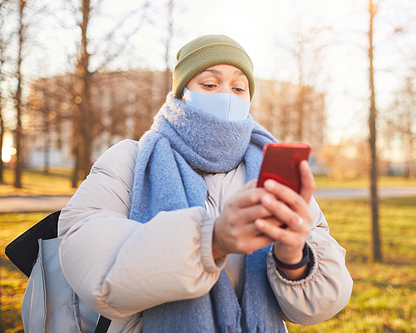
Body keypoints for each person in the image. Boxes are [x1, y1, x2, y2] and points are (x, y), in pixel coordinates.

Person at [58, 34, 353, 332]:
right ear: (182, 91)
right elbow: (95, 267)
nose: (226, 95)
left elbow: (328, 296)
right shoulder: (129, 161)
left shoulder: (272, 170)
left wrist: (295, 259)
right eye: (210, 84)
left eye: (239, 87)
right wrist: (211, 240)